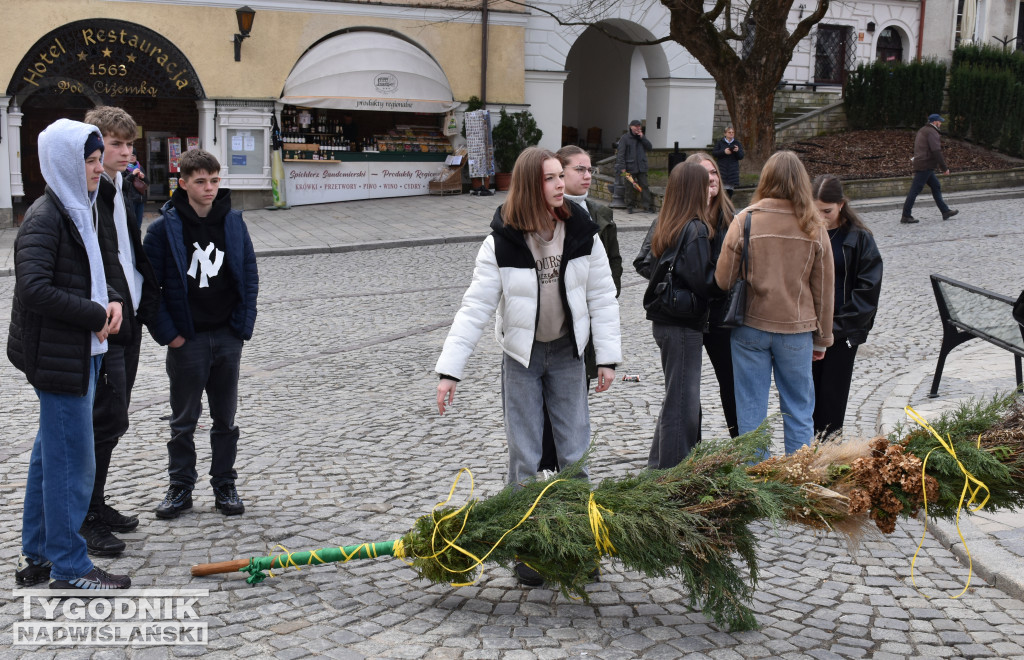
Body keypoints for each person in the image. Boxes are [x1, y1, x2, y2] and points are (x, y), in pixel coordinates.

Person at [434, 146, 621, 584]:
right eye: (551, 178)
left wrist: (607, 358)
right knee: (525, 456)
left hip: (568, 355)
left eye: (562, 176)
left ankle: (579, 543)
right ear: (530, 186)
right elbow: (475, 307)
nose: (561, 185)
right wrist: (449, 371)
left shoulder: (582, 232)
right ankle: (528, 548)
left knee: (575, 452)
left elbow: (602, 298)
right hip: (522, 356)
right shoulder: (502, 240)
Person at [9, 118, 131, 590]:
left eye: (100, 159)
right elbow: (35, 289)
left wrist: (114, 300)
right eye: (91, 161)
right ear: (65, 163)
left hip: (83, 350)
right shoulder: (46, 217)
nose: (100, 168)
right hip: (61, 356)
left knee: (49, 457)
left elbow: (104, 267)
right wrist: (94, 313)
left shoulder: (82, 207)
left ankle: (39, 555)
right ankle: (69, 567)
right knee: (71, 463)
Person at [143, 149, 259, 520]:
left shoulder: (234, 223)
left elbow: (249, 274)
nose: (209, 188)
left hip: (227, 335)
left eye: (214, 181)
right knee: (183, 421)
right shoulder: (163, 228)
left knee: (225, 419)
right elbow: (149, 288)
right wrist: (171, 335)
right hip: (187, 338)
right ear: (184, 183)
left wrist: (242, 327)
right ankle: (180, 487)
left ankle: (225, 483)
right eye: (200, 182)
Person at [714, 150, 835, 455]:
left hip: (751, 326)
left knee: (750, 411)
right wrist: (822, 340)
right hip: (796, 329)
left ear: (766, 178)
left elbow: (723, 280)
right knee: (799, 409)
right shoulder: (814, 226)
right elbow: (824, 291)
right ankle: (799, 481)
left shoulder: (746, 220)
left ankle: (757, 483)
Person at [81, 106, 161, 557]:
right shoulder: (89, 192)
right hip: (104, 322)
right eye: (116, 144)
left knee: (114, 419)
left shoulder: (123, 187)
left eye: (129, 144)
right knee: (101, 419)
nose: (126, 151)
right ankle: (85, 515)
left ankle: (96, 502)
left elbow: (130, 252)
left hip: (126, 317)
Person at [634, 152, 739, 438]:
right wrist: (677, 284)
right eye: (704, 174)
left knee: (732, 385)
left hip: (720, 317)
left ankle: (742, 445)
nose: (712, 179)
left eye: (714, 173)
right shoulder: (675, 217)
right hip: (685, 315)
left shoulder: (731, 219)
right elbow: (645, 261)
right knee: (685, 393)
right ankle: (689, 453)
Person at [537, 146, 622, 474]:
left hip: (585, 320)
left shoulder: (600, 214)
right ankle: (547, 463)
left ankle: (569, 462)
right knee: (543, 398)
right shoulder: (541, 217)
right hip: (552, 325)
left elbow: (611, 270)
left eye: (589, 170)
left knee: (573, 399)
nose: (587, 176)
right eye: (578, 170)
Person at [641, 162, 716, 467]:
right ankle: (671, 477)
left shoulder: (668, 222)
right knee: (682, 402)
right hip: (683, 323)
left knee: (676, 397)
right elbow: (703, 282)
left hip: (666, 321)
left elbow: (645, 263)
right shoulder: (696, 228)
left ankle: (656, 467)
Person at [811, 175, 883, 437]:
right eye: (814, 210)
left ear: (841, 204)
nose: (821, 217)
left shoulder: (860, 239)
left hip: (841, 335)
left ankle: (828, 459)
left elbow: (867, 294)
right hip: (807, 331)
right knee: (805, 403)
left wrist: (837, 329)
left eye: (827, 211)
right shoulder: (804, 234)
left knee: (831, 403)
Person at [901, 114, 958, 224]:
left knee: (936, 185)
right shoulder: (932, 132)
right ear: (935, 122)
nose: (941, 123)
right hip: (925, 164)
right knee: (915, 190)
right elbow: (936, 150)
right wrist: (944, 168)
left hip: (922, 163)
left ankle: (945, 211)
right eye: (940, 122)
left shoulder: (923, 130)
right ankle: (906, 216)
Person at [615, 120, 654, 214]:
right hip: (628, 168)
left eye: (639, 126)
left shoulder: (642, 137)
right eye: (636, 126)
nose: (638, 128)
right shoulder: (625, 138)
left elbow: (650, 147)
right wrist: (622, 168)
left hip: (642, 167)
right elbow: (620, 154)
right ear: (631, 127)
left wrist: (643, 137)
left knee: (644, 186)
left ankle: (647, 206)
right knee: (629, 187)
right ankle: (629, 206)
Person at [711, 127, 744, 198]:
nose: (731, 134)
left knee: (730, 191)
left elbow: (741, 156)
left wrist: (737, 151)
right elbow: (714, 153)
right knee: (720, 189)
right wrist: (724, 152)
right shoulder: (720, 143)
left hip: (732, 169)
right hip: (722, 168)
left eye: (733, 132)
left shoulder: (737, 143)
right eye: (729, 132)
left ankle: (728, 206)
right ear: (725, 133)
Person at [124, 148, 147, 229]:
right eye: (130, 155)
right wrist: (132, 174)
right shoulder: (124, 168)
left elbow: (147, 183)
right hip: (130, 199)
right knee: (131, 223)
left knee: (139, 222)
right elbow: (123, 182)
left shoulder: (140, 167)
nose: (132, 157)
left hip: (140, 199)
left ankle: (138, 240)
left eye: (134, 155)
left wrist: (143, 177)